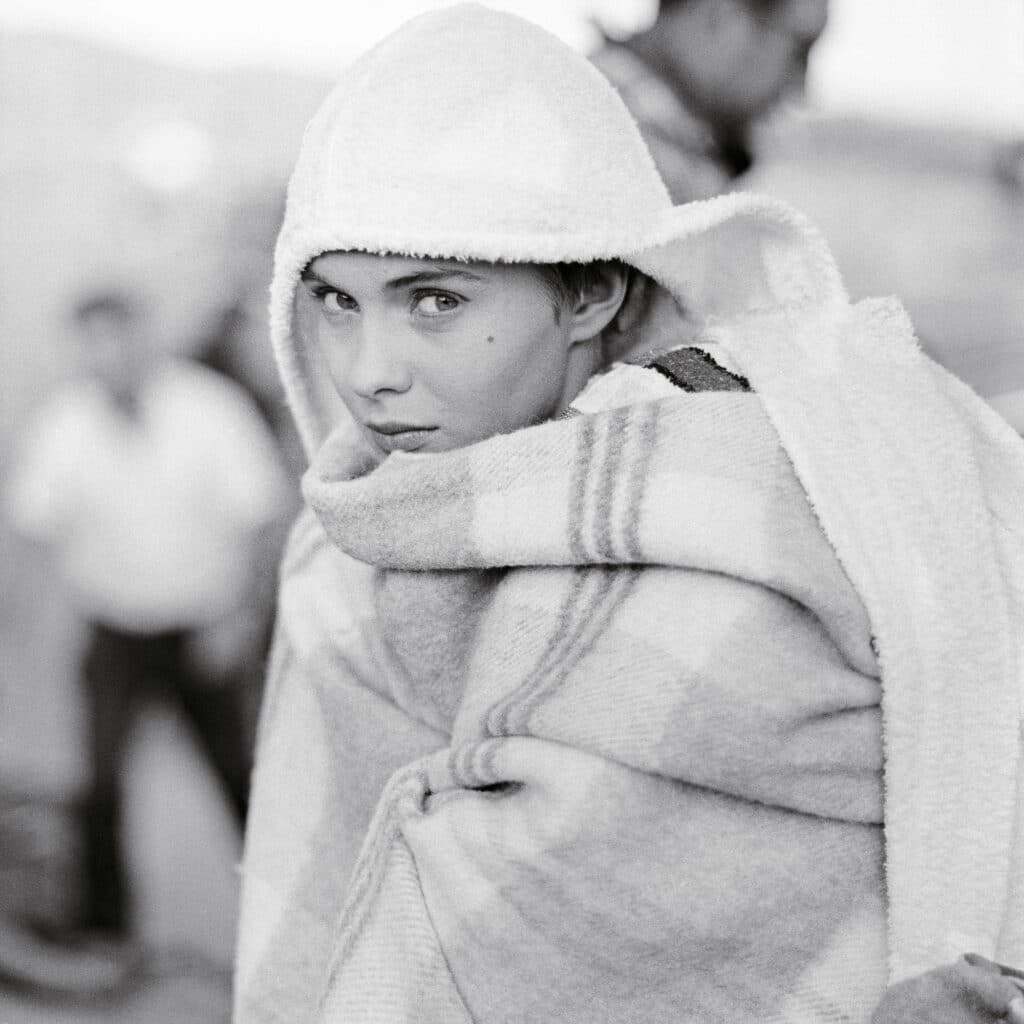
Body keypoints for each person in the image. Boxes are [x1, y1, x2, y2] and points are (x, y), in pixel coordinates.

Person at [234, 7, 1024, 1022]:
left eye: (434, 300)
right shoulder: (341, 538)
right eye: (334, 301)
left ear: (599, 290)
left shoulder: (742, 501)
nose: (368, 374)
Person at [5, 288, 292, 959]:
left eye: (119, 338)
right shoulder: (64, 422)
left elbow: (259, 516)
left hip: (205, 625)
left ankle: (288, 905)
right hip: (116, 627)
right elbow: (34, 529)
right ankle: (104, 926)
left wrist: (239, 621)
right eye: (92, 344)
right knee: (97, 781)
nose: (109, 356)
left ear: (145, 337)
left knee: (242, 772)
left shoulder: (209, 406)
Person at [591, 0, 829, 202]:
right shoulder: (595, 140)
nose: (801, 87)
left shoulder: (685, 157)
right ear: (718, 14)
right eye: (800, 50)